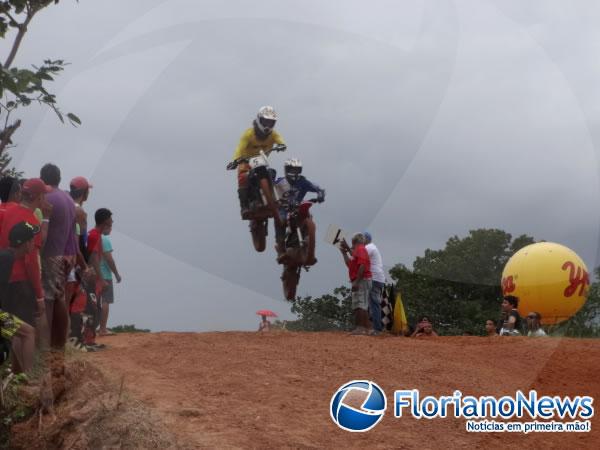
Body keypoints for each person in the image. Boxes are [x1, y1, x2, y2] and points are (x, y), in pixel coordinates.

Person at [0, 179, 50, 328]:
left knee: (9, 329)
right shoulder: (32, 222)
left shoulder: (6, 212)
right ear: (38, 197)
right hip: (22, 284)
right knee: (25, 331)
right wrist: (40, 296)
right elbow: (31, 262)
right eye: (44, 195)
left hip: (4, 279)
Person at [40, 163, 77, 352]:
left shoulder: (46, 198)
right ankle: (60, 342)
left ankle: (46, 343)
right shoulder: (68, 199)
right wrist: (71, 254)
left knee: (48, 299)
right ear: (59, 178)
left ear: (42, 179)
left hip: (49, 255)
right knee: (59, 297)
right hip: (65, 254)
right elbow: (72, 232)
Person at [229, 106, 286, 218]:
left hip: (262, 160)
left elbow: (280, 140)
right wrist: (235, 161)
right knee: (243, 177)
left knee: (272, 172)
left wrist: (282, 145)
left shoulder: (273, 134)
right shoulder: (248, 134)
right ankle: (244, 207)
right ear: (259, 120)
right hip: (245, 161)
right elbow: (239, 148)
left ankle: (274, 199)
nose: (268, 125)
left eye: (271, 123)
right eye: (265, 122)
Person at [0, 222, 40, 374]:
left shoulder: (7, 256)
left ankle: (18, 374)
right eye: (31, 239)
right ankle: (27, 378)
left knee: (20, 333)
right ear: (26, 243)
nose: (33, 243)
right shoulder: (6, 259)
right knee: (28, 332)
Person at [273, 158, 325, 263]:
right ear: (286, 170)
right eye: (292, 170)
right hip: (284, 208)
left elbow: (317, 187)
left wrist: (320, 195)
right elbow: (270, 189)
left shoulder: (303, 181)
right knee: (280, 220)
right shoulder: (280, 182)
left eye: (297, 170)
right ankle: (281, 249)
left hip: (298, 207)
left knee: (309, 216)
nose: (294, 172)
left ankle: (310, 250)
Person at [87, 208, 113, 337]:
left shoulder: (95, 234)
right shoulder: (94, 235)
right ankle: (87, 337)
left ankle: (89, 336)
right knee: (92, 308)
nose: (112, 222)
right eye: (110, 219)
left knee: (94, 306)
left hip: (92, 276)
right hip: (92, 277)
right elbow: (93, 258)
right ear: (105, 221)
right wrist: (101, 280)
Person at [340, 233, 372, 335]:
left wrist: (357, 282)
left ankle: (360, 328)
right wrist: (344, 253)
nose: (351, 246)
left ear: (355, 242)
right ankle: (367, 329)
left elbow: (362, 266)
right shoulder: (358, 251)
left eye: (352, 243)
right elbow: (350, 265)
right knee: (360, 304)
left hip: (362, 280)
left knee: (360, 304)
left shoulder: (361, 249)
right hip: (360, 279)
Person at [97, 222, 122, 336]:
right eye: (110, 226)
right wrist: (116, 273)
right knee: (105, 301)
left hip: (94, 274)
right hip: (105, 275)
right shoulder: (105, 240)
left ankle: (91, 328)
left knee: (94, 302)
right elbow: (109, 259)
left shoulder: (91, 236)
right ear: (104, 226)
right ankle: (103, 329)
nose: (111, 229)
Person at [363, 232, 385, 335]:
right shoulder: (370, 247)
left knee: (374, 304)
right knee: (371, 304)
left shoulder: (369, 247)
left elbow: (358, 257)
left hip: (374, 278)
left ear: (366, 239)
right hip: (376, 278)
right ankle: (373, 328)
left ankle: (377, 329)